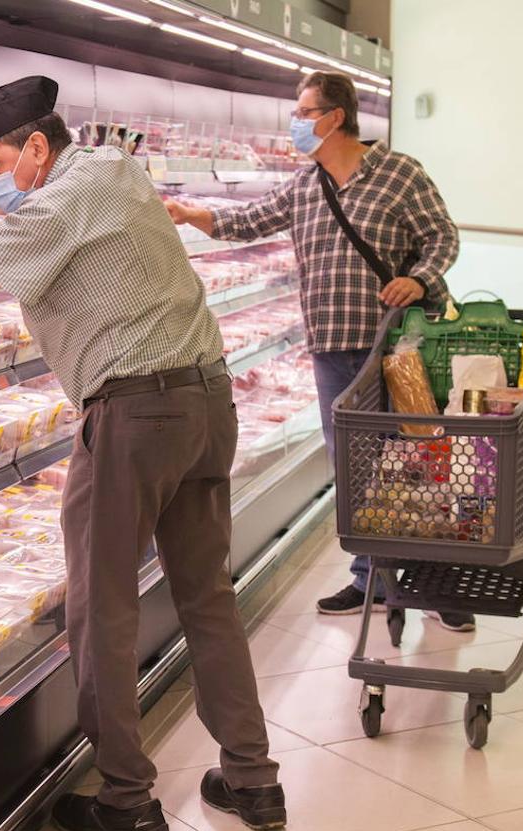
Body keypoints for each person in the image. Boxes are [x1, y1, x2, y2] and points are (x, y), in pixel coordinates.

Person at [0, 76, 286, 831]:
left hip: (133, 416)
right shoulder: (111, 167)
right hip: (206, 402)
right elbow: (22, 203)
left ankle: (128, 801)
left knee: (103, 610)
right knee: (207, 594)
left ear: (38, 149)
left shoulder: (49, 203)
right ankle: (253, 779)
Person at [164, 72, 473, 632]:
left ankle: (436, 579)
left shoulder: (399, 172)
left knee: (417, 464)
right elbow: (246, 221)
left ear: (334, 117)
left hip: (398, 348)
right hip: (332, 348)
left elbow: (442, 237)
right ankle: (372, 577)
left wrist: (420, 280)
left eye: (304, 112)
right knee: (354, 470)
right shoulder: (306, 186)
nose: (296, 123)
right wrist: (190, 215)